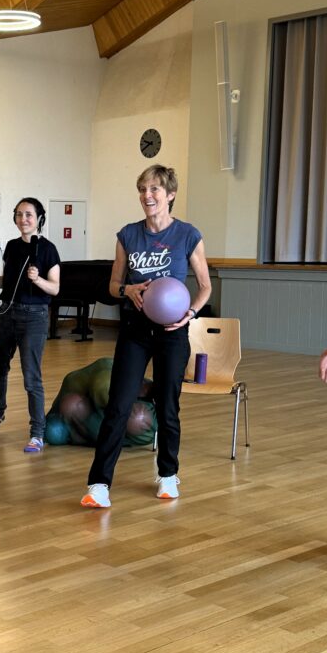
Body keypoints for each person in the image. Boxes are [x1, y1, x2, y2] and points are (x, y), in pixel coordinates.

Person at [81, 165, 212, 508]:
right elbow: (112, 285)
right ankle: (98, 484)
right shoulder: (128, 235)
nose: (147, 196)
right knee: (119, 404)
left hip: (173, 333)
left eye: (154, 189)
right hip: (136, 331)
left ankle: (168, 475)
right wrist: (129, 289)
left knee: (168, 405)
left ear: (169, 195)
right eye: (142, 189)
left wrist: (190, 314)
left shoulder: (188, 235)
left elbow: (205, 286)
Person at [0, 198, 60, 452]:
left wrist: (38, 280)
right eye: (19, 214)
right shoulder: (12, 247)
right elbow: (8, 281)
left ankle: (37, 433)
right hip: (6, 313)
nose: (23, 219)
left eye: (28, 215)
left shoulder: (48, 249)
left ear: (39, 219)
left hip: (34, 317)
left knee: (31, 377)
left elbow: (55, 288)